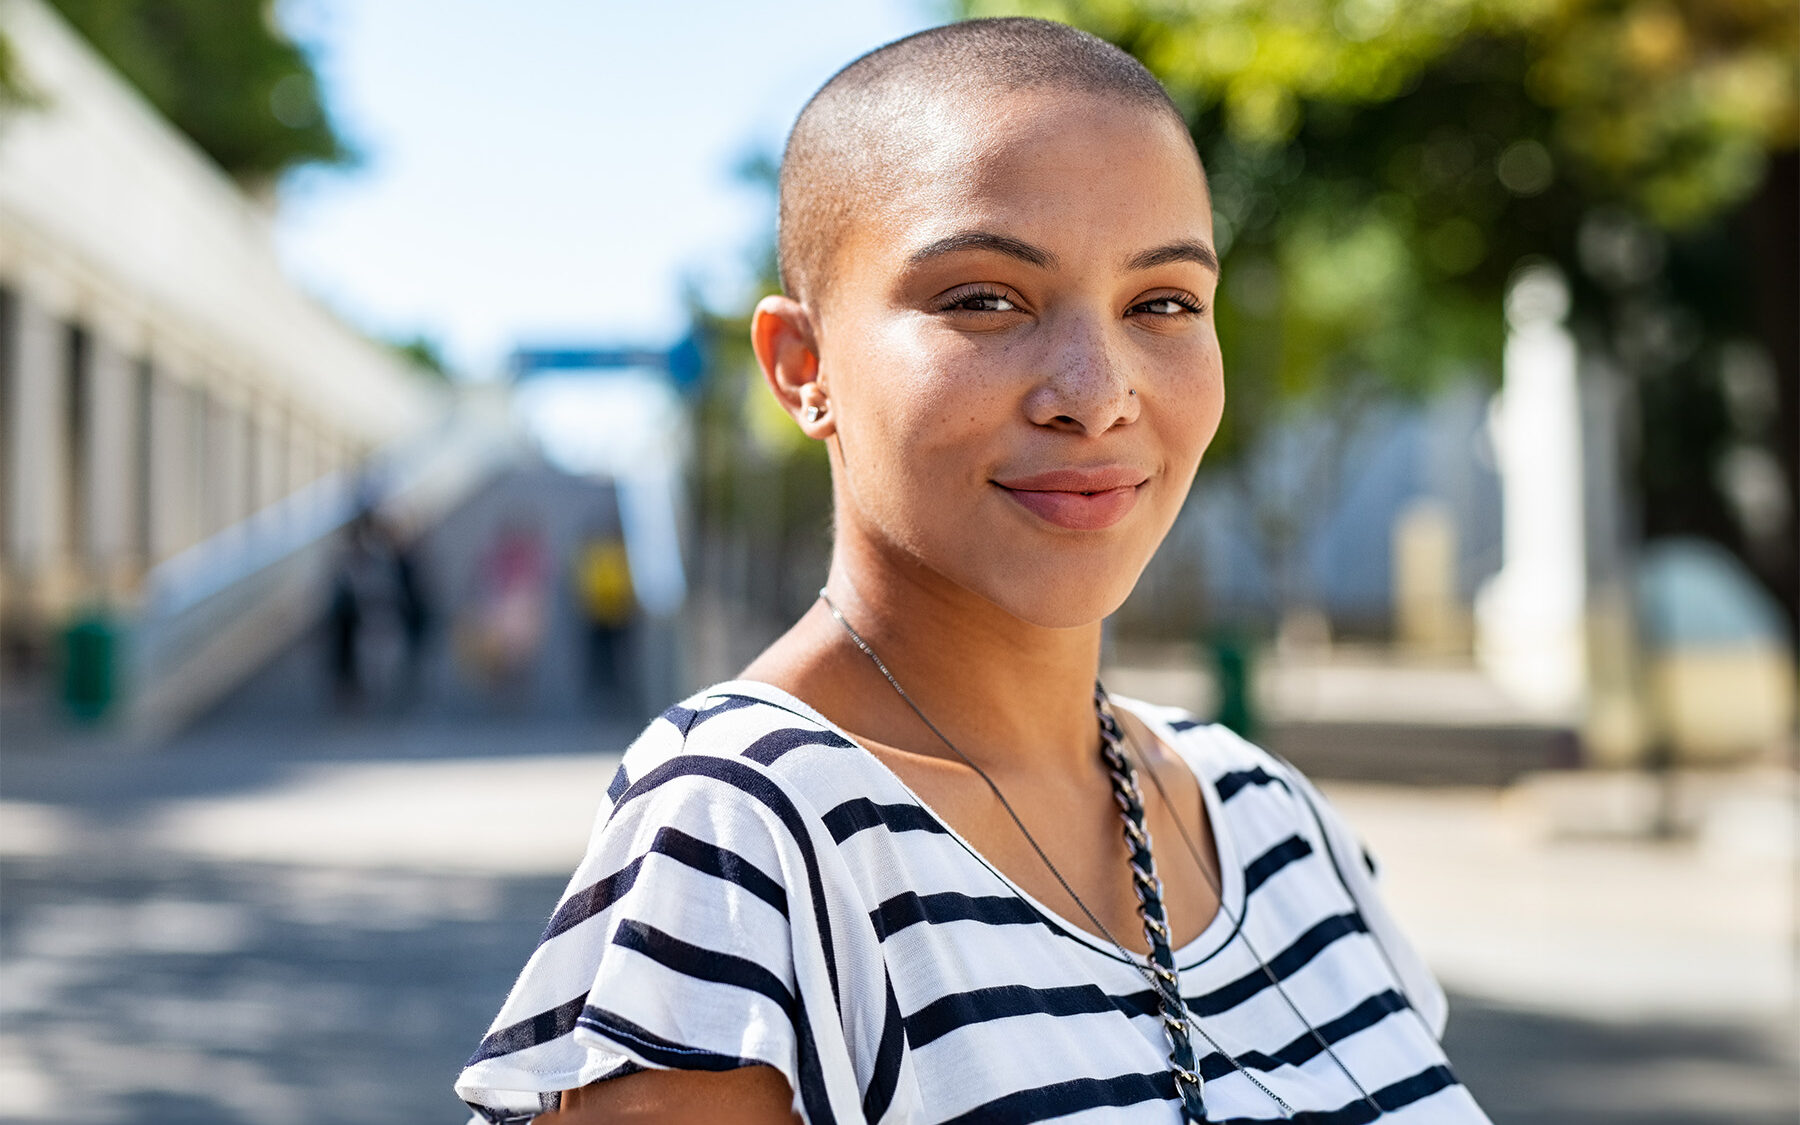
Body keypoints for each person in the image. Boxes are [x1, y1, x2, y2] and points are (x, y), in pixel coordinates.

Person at [457, 18, 1492, 1125]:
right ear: (803, 366)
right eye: (985, 300)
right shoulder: (747, 840)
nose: (1095, 393)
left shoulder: (1266, 816)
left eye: (1164, 304)